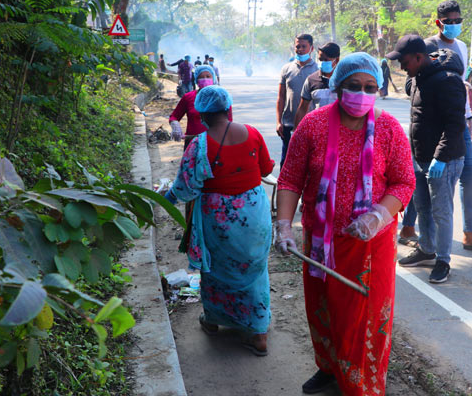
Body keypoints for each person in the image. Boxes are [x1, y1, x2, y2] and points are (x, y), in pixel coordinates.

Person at [275, 52, 415, 395]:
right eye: (354, 86)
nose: (361, 93)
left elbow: (404, 182)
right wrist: (282, 226)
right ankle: (329, 367)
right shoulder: (313, 124)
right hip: (321, 242)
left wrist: (377, 215)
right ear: (338, 86)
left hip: (371, 245)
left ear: (378, 90)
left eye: (369, 87)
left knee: (363, 319)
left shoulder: (388, 128)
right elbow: (291, 179)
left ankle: (361, 385)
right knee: (323, 309)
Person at [164, 85, 276, 355]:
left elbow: (184, 187)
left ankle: (214, 321)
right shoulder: (253, 133)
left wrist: (162, 200)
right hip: (254, 213)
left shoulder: (198, 145)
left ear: (201, 114)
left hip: (218, 218)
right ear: (228, 108)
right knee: (254, 269)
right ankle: (258, 332)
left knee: (216, 269)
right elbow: (266, 169)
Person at [419, 0, 472, 255]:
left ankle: (470, 234)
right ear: (438, 22)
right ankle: (414, 233)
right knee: (427, 176)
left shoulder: (462, 47)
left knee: (469, 175)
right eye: (448, 22)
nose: (453, 25)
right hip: (435, 124)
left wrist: (469, 119)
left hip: (459, 121)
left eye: (457, 21)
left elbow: (460, 88)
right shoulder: (429, 46)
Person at [389, 35, 466, 283]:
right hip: (421, 158)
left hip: (444, 160)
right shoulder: (419, 79)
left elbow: (455, 124)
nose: (401, 67)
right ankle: (427, 249)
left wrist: (440, 157)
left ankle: (443, 260)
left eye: (404, 61)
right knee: (423, 207)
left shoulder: (448, 82)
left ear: (419, 57)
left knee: (442, 212)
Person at [276, 33, 319, 166]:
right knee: (287, 162)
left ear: (311, 48)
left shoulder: (318, 70)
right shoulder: (286, 69)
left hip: (311, 126)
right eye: (297, 46)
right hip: (288, 124)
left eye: (303, 46)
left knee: (308, 163)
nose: (300, 49)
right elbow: (281, 97)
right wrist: (278, 122)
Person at [169, 65, 232, 146]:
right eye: (201, 77)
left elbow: (229, 122)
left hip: (216, 143)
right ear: (196, 80)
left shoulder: (222, 97)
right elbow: (174, 116)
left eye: (208, 76)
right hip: (193, 143)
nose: (205, 79)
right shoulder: (188, 97)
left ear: (213, 78)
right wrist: (175, 125)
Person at [293, 42, 340, 129]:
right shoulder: (311, 80)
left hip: (339, 129)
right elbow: (303, 108)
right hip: (318, 129)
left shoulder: (345, 80)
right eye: (320, 59)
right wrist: (296, 131)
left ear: (336, 60)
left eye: (326, 60)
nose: (322, 62)